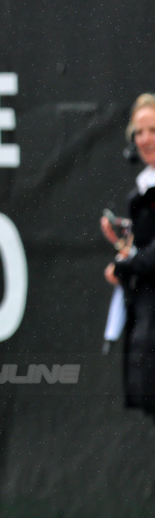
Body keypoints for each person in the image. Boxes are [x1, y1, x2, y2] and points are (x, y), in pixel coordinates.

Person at [103, 93, 155, 420]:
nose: (145, 138)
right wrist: (125, 248)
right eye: (138, 131)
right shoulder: (140, 192)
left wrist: (124, 264)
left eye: (152, 129)